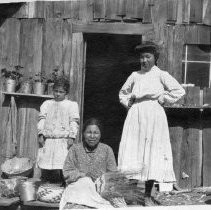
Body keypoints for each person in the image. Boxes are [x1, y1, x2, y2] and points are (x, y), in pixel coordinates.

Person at [118, 41, 185, 205]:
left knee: (152, 154)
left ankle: (147, 195)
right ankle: (132, 195)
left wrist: (163, 98)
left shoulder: (161, 74)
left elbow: (179, 90)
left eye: (148, 57)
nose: (144, 60)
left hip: (154, 114)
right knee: (134, 151)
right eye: (141, 57)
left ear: (155, 58)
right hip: (136, 114)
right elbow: (122, 93)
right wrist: (129, 102)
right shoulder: (135, 75)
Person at [59, 118, 117, 209]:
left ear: (100, 134)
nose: (92, 136)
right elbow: (67, 172)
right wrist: (84, 175)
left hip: (100, 191)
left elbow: (113, 174)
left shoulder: (107, 150)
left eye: (96, 133)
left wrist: (101, 181)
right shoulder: (75, 149)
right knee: (85, 182)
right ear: (83, 133)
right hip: (79, 189)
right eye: (89, 132)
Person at [36, 76, 80, 183]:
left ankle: (62, 184)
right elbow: (42, 120)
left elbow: (74, 122)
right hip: (49, 139)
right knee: (45, 162)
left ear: (66, 93)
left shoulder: (71, 105)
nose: (58, 94)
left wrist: (72, 136)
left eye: (61, 92)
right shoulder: (47, 104)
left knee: (62, 163)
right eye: (56, 91)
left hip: (63, 139)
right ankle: (46, 184)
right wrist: (41, 134)